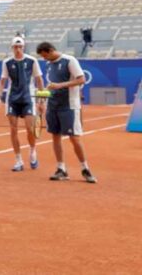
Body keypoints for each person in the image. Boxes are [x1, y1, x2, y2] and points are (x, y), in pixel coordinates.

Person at [35, 42, 97, 183]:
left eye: (45, 56)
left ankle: (85, 169)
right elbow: (49, 86)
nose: (44, 59)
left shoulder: (70, 60)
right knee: (55, 136)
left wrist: (60, 85)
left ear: (51, 51)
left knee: (74, 138)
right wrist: (41, 100)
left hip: (69, 105)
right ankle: (61, 169)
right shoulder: (48, 65)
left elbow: (82, 79)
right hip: (53, 105)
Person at [0, 37, 44, 172]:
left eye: (20, 47)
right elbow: (2, 81)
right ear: (12, 48)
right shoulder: (6, 62)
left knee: (30, 129)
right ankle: (18, 160)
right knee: (13, 129)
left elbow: (39, 80)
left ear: (23, 47)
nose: (17, 49)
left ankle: (33, 151)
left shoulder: (32, 61)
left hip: (28, 99)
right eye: (15, 47)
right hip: (12, 99)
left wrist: (42, 99)